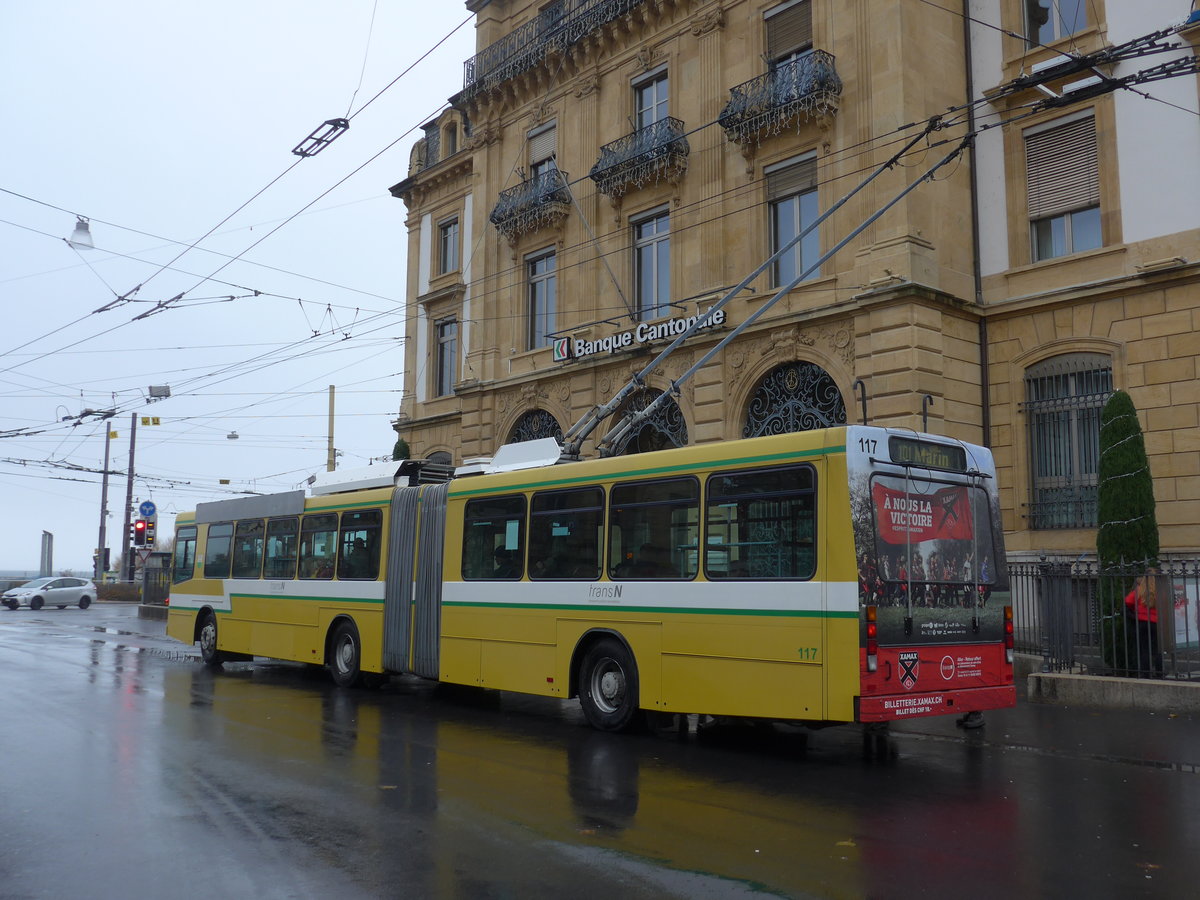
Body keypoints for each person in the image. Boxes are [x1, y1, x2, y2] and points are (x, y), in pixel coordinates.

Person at [1124, 573, 1163, 678]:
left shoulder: (1138, 591)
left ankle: (1145, 674)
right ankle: (1159, 673)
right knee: (1157, 650)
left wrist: (1135, 616)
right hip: (1156, 623)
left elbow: (1126, 604)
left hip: (1142, 623)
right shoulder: (1159, 591)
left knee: (1144, 650)